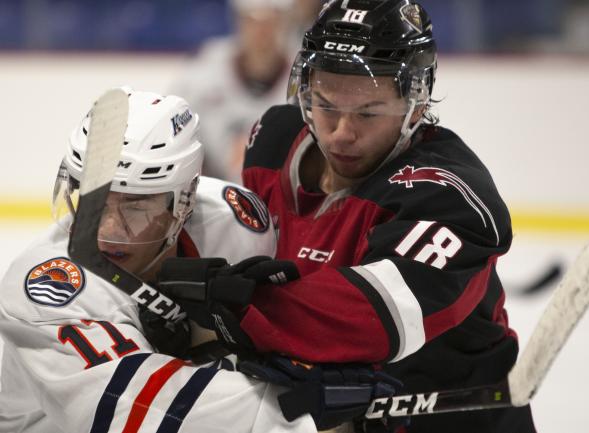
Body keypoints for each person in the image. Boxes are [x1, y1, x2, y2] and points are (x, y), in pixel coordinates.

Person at [162, 1, 538, 432]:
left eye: (368, 113)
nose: (341, 132)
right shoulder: (274, 143)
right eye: (325, 106)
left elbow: (372, 318)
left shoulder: (450, 196)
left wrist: (232, 310)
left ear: (415, 104)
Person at [0, 89, 317, 433]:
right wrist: (306, 413)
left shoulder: (237, 227)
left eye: (135, 206)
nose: (106, 230)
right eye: (92, 200)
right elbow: (138, 413)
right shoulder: (48, 288)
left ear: (184, 203)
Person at [170, 0, 295, 183]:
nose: (262, 32)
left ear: (285, 23)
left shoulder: (303, 75)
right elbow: (173, 129)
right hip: (209, 193)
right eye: (253, 21)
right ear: (238, 21)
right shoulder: (204, 70)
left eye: (270, 21)